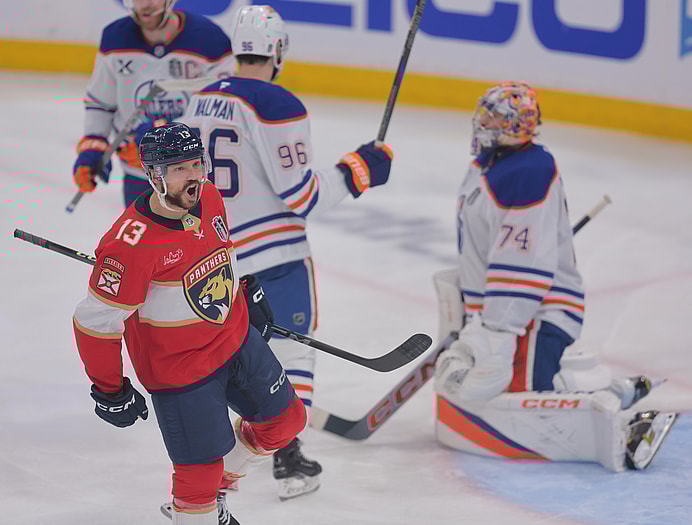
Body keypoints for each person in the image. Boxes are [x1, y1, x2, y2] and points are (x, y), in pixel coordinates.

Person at [178, 5, 394, 500]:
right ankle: (285, 456)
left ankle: (206, 476)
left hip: (214, 256)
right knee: (292, 350)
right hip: (274, 257)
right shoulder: (277, 103)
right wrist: (361, 169)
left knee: (229, 359)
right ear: (277, 52)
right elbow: (304, 197)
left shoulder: (198, 102)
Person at [432, 81, 677, 472]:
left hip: (534, 314)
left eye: (494, 116)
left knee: (520, 399)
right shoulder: (489, 163)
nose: (483, 121)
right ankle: (616, 389)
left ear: (514, 126)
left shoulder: (528, 171)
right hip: (506, 313)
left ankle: (630, 426)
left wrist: (496, 331)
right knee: (500, 391)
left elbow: (522, 265)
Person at [72, 123, 307, 525]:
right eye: (179, 169)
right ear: (153, 175)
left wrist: (242, 295)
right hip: (180, 370)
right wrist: (110, 389)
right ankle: (201, 504)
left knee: (286, 422)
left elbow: (214, 259)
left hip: (234, 341)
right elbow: (94, 322)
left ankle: (215, 492)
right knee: (199, 470)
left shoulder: (211, 197)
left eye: (197, 164)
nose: (194, 176)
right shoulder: (129, 246)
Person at [72, 0, 236, 208]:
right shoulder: (115, 38)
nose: (145, 5)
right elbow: (101, 102)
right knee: (144, 240)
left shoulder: (209, 39)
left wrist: (162, 134)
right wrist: (93, 146)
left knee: (200, 239)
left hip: (195, 175)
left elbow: (223, 105)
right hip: (140, 173)